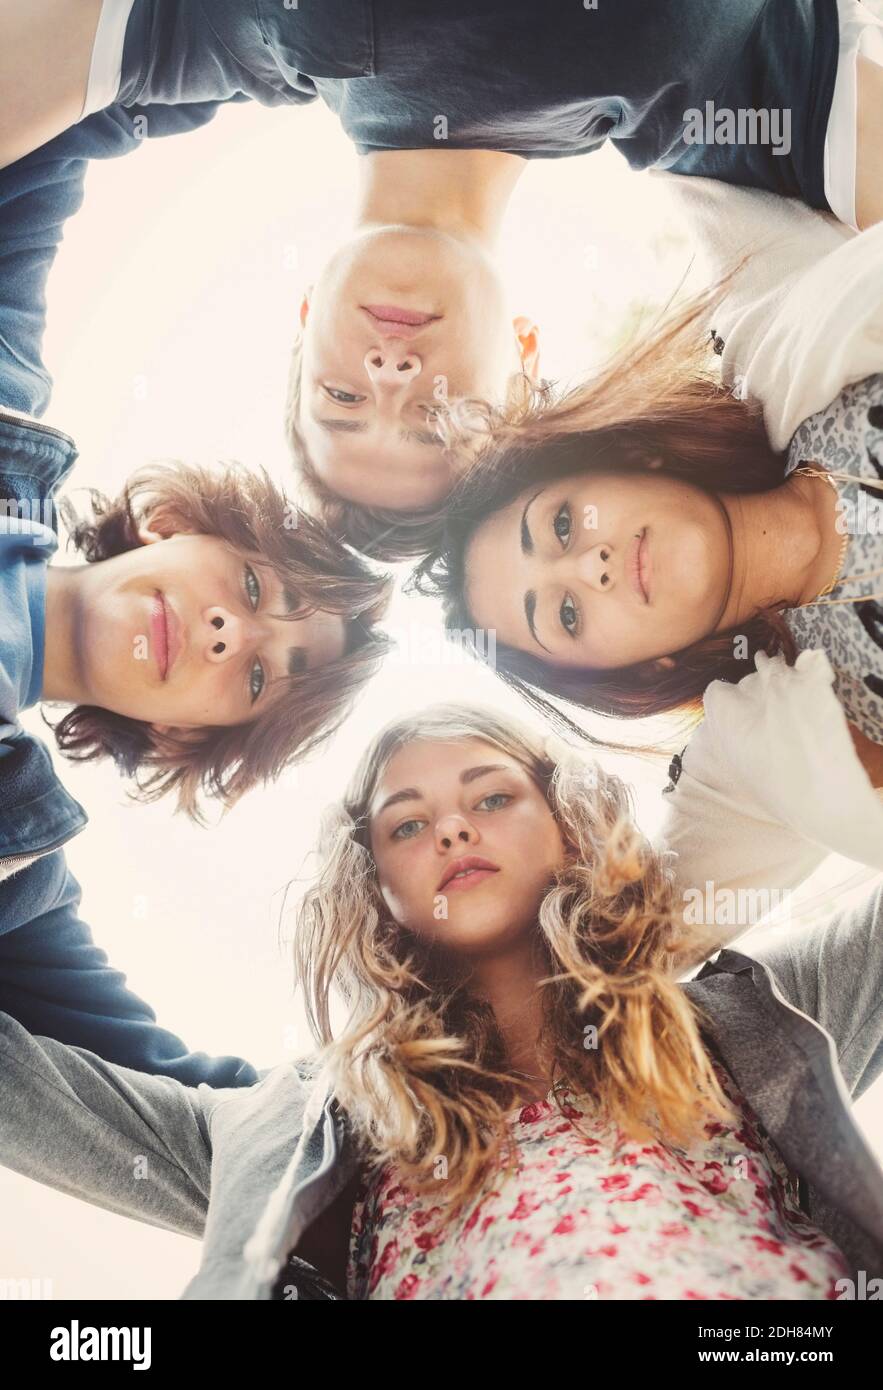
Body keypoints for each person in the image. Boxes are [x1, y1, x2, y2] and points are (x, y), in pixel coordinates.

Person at [1, 705, 881, 1299]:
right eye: (407, 824)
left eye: (492, 797)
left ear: (567, 822)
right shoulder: (282, 1128)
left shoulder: (753, 1018)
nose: (453, 830)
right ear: (374, 880)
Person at [2, 0, 882, 551]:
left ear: (304, 321)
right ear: (525, 358)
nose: (389, 376)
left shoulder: (214, 35)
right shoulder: (719, 110)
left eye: (339, 400)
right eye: (434, 420)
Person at [0, 109, 387, 1084]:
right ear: (181, 522)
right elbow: (57, 111)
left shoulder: (19, 879)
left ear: (186, 736)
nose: (225, 630)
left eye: (258, 674)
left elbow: (208, 1114)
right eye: (254, 586)